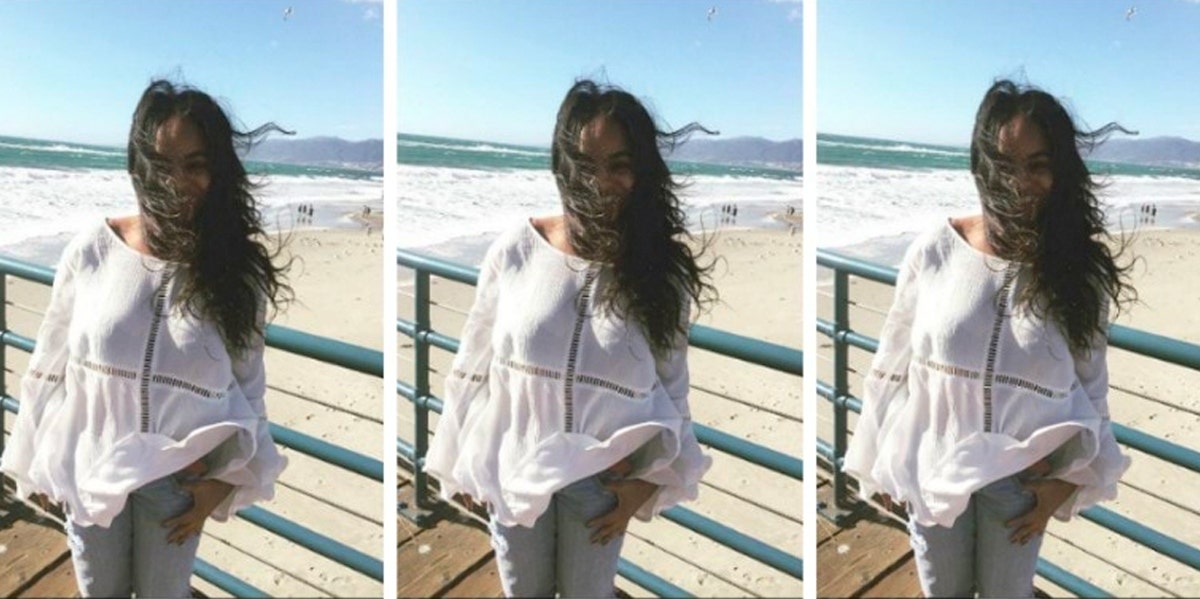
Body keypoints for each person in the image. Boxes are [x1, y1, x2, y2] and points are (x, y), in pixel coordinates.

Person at [842, 79, 1135, 598]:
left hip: (1022, 480)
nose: (1020, 182)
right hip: (933, 466)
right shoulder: (936, 249)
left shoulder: (1078, 271)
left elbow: (1092, 388)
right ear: (980, 163)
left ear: (1060, 170)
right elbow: (892, 363)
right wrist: (881, 462)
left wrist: (1063, 484)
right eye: (1004, 164)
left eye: (1038, 164)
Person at [424, 79, 717, 598]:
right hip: (514, 466)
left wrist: (645, 485)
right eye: (585, 164)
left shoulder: (659, 272)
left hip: (604, 480)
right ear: (561, 163)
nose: (600, 182)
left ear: (641, 171)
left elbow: (672, 388)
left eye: (619, 164)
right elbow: (473, 365)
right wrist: (461, 464)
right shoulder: (517, 249)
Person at [0, 79, 292, 598]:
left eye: (195, 164)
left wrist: (221, 484)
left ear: (217, 170)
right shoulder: (93, 249)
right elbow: (50, 364)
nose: (176, 182)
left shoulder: (235, 273)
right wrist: (38, 464)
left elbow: (248, 388)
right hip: (91, 467)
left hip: (180, 481)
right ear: (137, 163)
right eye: (161, 164)